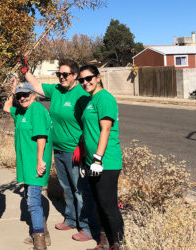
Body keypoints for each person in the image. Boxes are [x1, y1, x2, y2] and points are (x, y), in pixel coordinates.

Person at [23, 58, 99, 241]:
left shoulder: (82, 93)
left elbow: (89, 122)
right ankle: (71, 219)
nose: (61, 77)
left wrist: (82, 146)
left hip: (75, 151)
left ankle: (88, 227)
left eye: (65, 74)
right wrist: (25, 71)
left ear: (74, 76)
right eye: (59, 74)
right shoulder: (56, 90)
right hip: (58, 149)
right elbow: (38, 86)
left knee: (80, 190)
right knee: (66, 188)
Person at [78, 65, 124, 250]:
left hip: (107, 161)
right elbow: (89, 132)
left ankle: (118, 243)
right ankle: (104, 242)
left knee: (108, 204)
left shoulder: (104, 98)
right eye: (81, 80)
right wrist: (85, 160)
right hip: (92, 162)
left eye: (88, 78)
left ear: (98, 77)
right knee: (99, 203)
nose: (85, 83)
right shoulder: (92, 99)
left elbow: (105, 129)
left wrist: (97, 158)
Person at [3, 79, 53, 250]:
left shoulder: (36, 109)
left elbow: (41, 137)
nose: (23, 98)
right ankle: (43, 235)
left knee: (32, 201)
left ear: (33, 94)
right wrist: (12, 92)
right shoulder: (21, 112)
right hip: (27, 163)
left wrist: (40, 160)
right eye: (20, 96)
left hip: (35, 163)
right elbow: (5, 107)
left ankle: (39, 242)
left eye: (26, 94)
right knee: (32, 198)